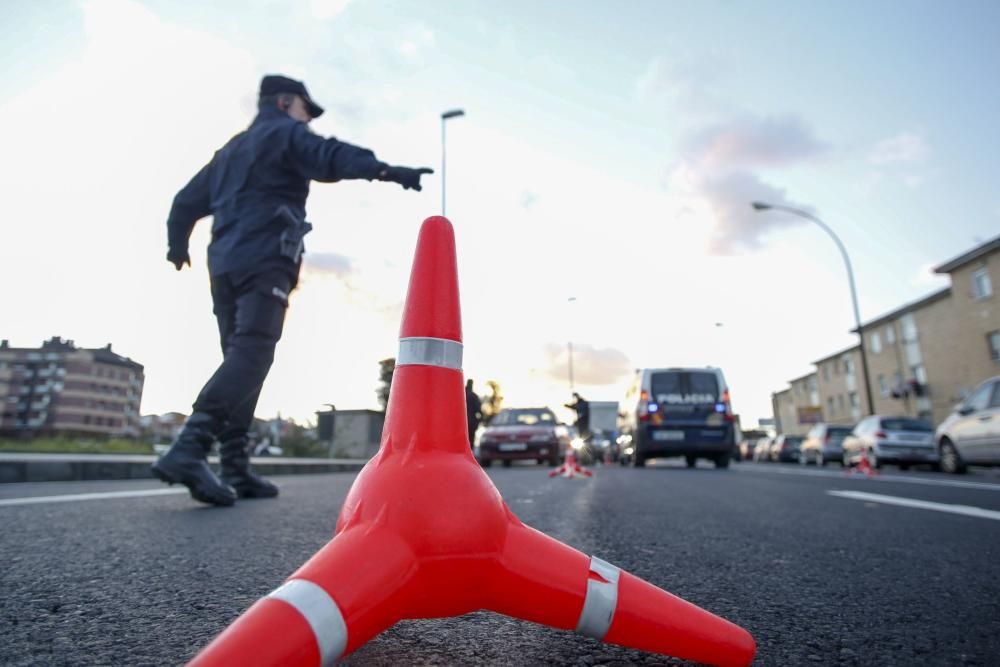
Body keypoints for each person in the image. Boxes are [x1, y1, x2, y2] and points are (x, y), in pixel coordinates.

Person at [152, 74, 433, 506]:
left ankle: (235, 466)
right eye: (306, 110)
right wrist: (385, 170)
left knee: (241, 358)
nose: (308, 120)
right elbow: (329, 155)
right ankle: (190, 447)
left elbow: (184, 202)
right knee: (254, 352)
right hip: (266, 255)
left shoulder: (229, 151)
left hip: (223, 262)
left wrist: (177, 245)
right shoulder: (285, 134)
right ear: (285, 102)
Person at [465, 379, 483, 450]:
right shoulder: (474, 396)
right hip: (471, 423)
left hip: (461, 424)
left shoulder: (461, 394)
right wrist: (479, 420)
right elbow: (479, 410)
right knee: (470, 442)